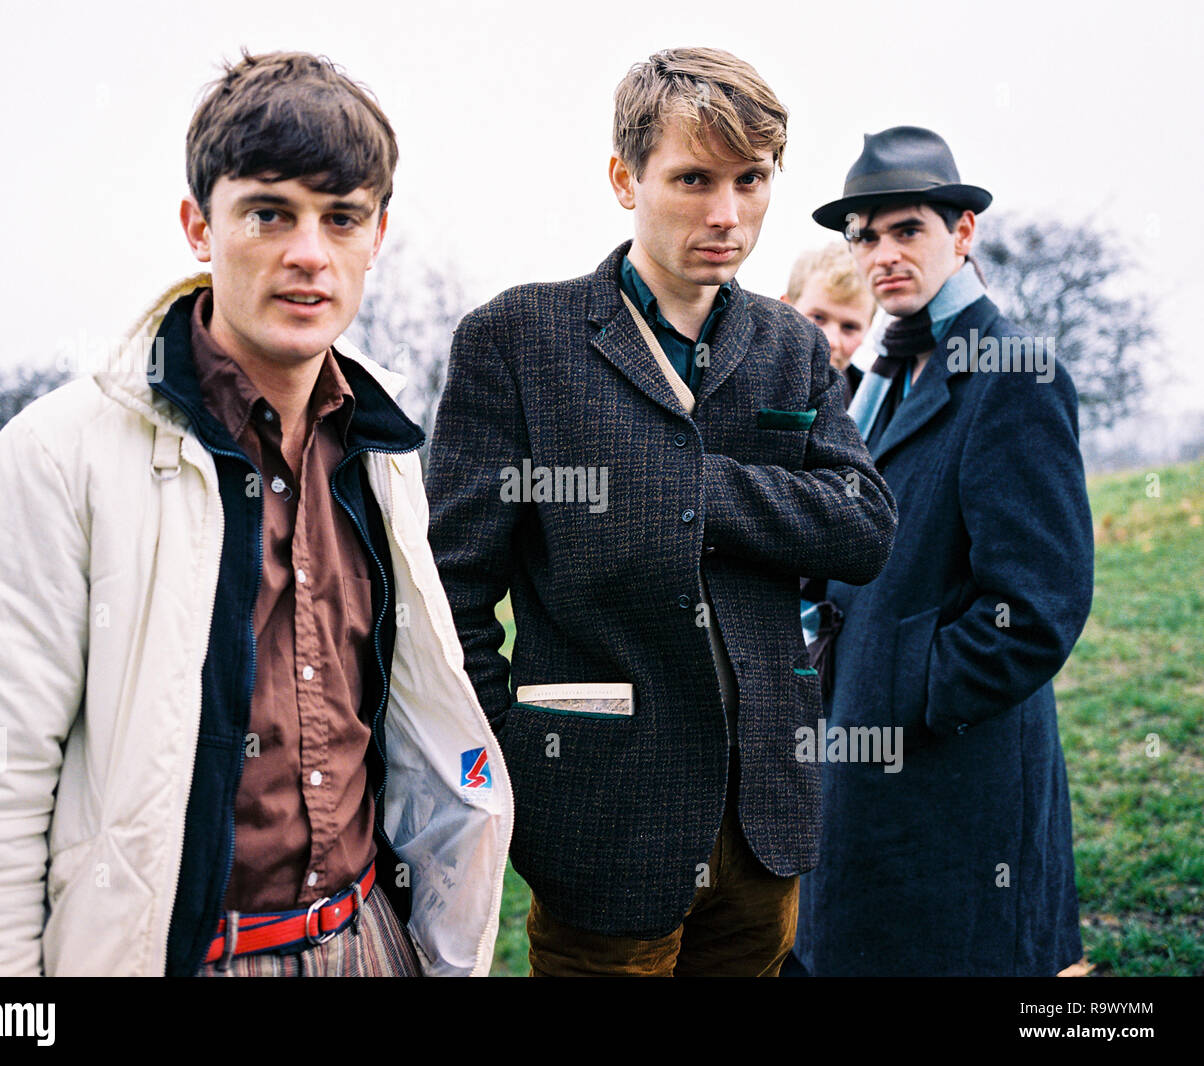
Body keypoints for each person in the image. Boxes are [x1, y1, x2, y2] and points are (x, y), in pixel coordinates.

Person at [0, 50, 512, 978]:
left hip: (371, 945)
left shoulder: (382, 447)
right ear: (199, 225)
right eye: (269, 212)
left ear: (376, 236)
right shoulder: (56, 457)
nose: (308, 252)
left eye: (340, 218)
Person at [425, 47, 896, 977]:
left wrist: (700, 487)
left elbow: (863, 525)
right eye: (692, 179)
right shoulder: (517, 341)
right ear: (623, 177)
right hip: (596, 826)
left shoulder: (792, 346)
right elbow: (452, 596)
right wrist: (515, 762)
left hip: (764, 823)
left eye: (749, 180)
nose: (727, 215)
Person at [793, 125, 1093, 976]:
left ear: (962, 233)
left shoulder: (1014, 374)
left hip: (957, 779)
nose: (881, 253)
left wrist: (909, 688)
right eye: (865, 235)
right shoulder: (878, 377)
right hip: (856, 766)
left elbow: (1038, 611)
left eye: (906, 230)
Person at [782, 242, 876, 405]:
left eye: (849, 327)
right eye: (818, 318)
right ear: (784, 308)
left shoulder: (876, 407)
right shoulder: (739, 381)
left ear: (869, 329)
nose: (831, 341)